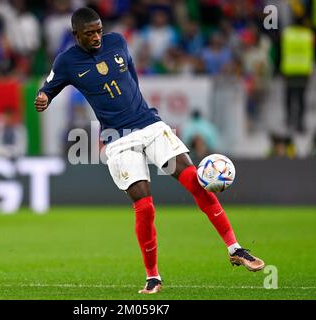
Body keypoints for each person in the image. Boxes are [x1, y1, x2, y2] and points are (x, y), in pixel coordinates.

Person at [34, 7, 265, 294]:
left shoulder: (117, 42)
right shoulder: (67, 61)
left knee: (194, 180)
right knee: (145, 206)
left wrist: (138, 108)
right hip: (118, 140)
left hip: (150, 124)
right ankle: (153, 276)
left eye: (99, 30)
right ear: (75, 34)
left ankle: (235, 248)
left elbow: (131, 76)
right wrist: (43, 96)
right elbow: (48, 87)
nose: (96, 37)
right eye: (89, 33)